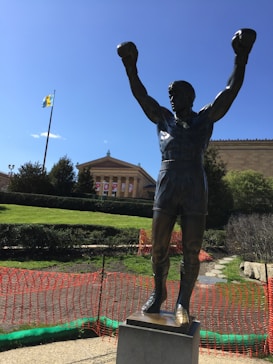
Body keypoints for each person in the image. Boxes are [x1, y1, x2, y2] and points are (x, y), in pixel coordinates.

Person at [117, 29, 256, 325]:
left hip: (194, 182)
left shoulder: (205, 117)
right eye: (169, 92)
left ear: (190, 96)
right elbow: (142, 96)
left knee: (192, 248)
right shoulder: (163, 118)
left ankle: (183, 303)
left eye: (175, 92)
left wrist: (240, 56)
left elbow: (230, 91)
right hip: (167, 181)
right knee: (158, 246)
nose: (170, 95)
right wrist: (131, 66)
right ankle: (158, 293)